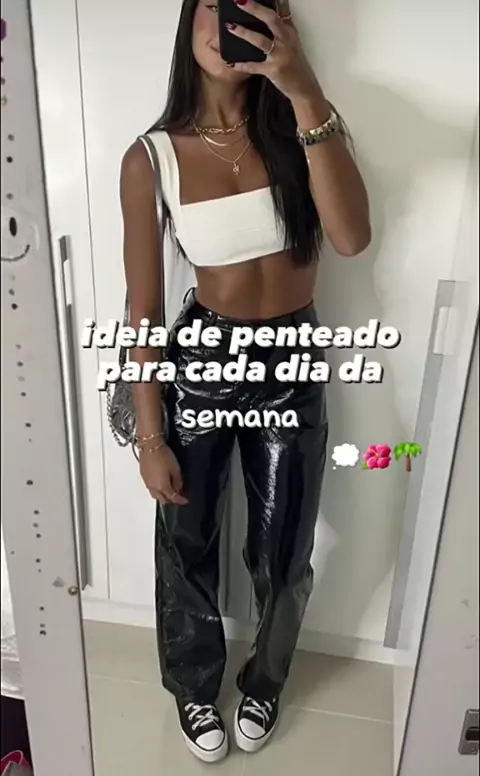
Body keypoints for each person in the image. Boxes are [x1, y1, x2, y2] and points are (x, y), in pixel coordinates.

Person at [120, 0, 370, 763]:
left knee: (283, 548)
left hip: (292, 362)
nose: (227, 24)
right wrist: (151, 436)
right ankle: (195, 689)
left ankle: (264, 679)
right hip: (201, 361)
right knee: (186, 541)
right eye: (214, 4)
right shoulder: (151, 156)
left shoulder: (305, 126)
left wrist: (305, 90)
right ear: (190, 21)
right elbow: (142, 309)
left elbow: (352, 238)